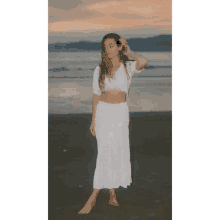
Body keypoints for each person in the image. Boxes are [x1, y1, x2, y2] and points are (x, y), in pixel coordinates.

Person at [78, 33, 148, 214]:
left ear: (118, 47)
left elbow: (144, 62)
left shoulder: (128, 67)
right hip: (103, 112)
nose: (108, 49)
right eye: (105, 46)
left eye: (111, 45)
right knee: (105, 153)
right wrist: (93, 120)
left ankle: (112, 193)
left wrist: (129, 51)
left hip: (119, 113)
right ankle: (92, 198)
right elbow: (95, 95)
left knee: (116, 150)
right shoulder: (99, 69)